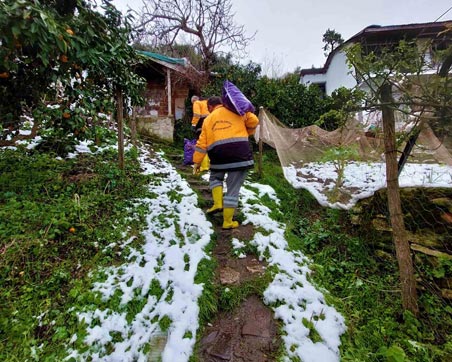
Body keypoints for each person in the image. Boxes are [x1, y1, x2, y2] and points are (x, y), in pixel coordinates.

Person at [192, 96, 259, 229]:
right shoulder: (236, 109)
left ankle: (217, 203)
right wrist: (248, 130)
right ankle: (227, 221)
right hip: (240, 153)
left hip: (218, 155)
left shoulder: (208, 120)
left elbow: (201, 144)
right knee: (233, 188)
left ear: (210, 107)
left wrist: (196, 163)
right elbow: (254, 121)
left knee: (215, 177)